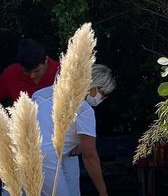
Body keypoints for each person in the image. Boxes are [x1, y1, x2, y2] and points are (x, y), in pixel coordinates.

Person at [33, 64, 116, 196]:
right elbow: (90, 156)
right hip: (47, 160)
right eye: (104, 94)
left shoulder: (41, 94)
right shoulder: (85, 110)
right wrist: (103, 191)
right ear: (93, 86)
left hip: (21, 151)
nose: (103, 99)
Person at [0, 38, 60, 103]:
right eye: (26, 71)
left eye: (37, 71)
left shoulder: (62, 71)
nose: (32, 76)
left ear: (46, 60)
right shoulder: (10, 74)